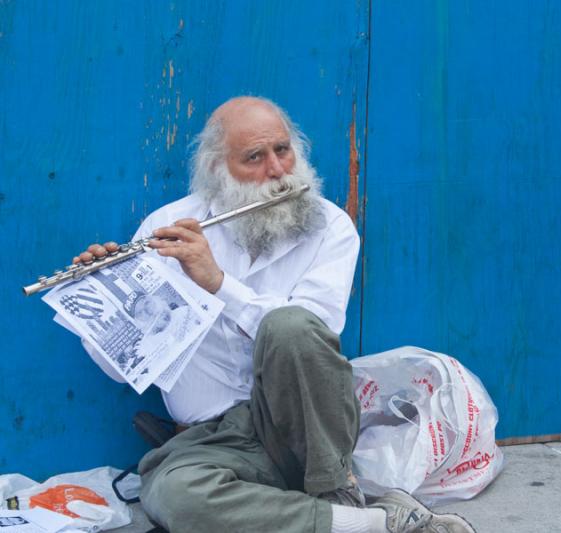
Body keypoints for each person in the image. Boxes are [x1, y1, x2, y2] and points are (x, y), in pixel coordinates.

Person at [74, 97, 476, 533]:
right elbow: (119, 371)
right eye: (255, 158)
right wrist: (108, 300)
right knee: (174, 497)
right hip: (211, 440)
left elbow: (310, 334)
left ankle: (332, 491)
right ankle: (373, 522)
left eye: (282, 150)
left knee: (289, 325)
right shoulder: (170, 225)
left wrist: (219, 284)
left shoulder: (330, 227)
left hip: (303, 434)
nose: (278, 171)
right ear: (217, 171)